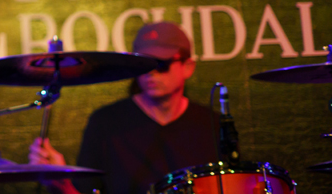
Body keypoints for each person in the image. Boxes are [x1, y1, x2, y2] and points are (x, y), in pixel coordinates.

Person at [29, 22, 218, 194]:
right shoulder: (106, 123)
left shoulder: (211, 124)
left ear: (188, 67)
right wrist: (62, 184)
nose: (151, 73)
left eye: (161, 64)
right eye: (143, 64)